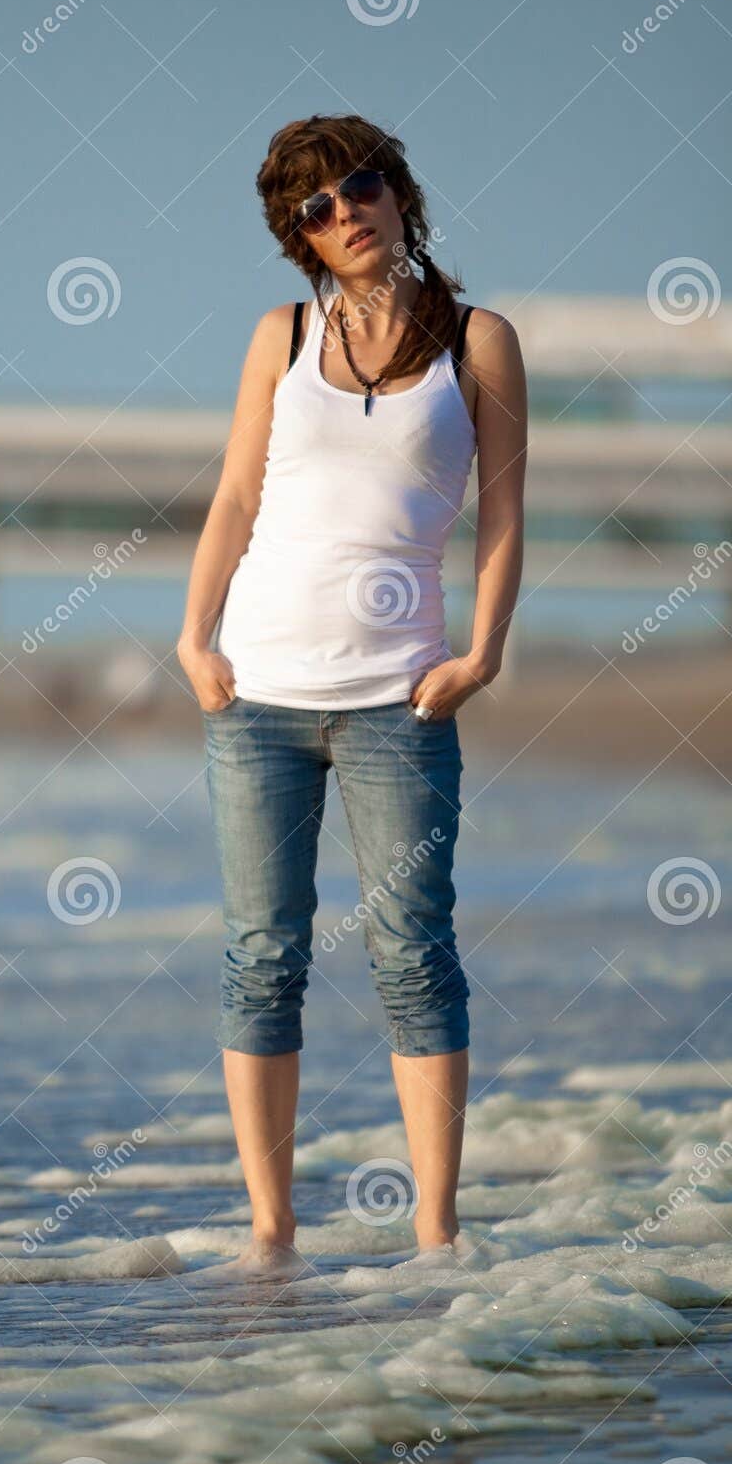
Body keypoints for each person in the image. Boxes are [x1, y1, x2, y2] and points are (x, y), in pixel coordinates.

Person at [178, 114, 527, 1276]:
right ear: (300, 239)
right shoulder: (277, 336)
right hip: (260, 696)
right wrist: (193, 638)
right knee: (261, 955)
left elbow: (504, 516)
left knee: (410, 954)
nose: (345, 213)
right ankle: (271, 1233)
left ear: (397, 190)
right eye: (314, 209)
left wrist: (478, 654)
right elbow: (234, 495)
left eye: (359, 186)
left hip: (399, 701)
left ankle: (435, 1233)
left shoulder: (478, 340)